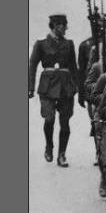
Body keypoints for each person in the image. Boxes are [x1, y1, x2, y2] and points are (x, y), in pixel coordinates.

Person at [29, 14, 79, 167]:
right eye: (63, 26)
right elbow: (32, 65)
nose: (65, 29)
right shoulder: (41, 44)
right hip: (47, 87)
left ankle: (62, 154)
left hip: (65, 87)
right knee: (49, 119)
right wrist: (30, 87)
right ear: (55, 26)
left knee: (65, 122)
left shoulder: (69, 44)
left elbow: (74, 67)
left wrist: (77, 87)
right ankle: (49, 146)